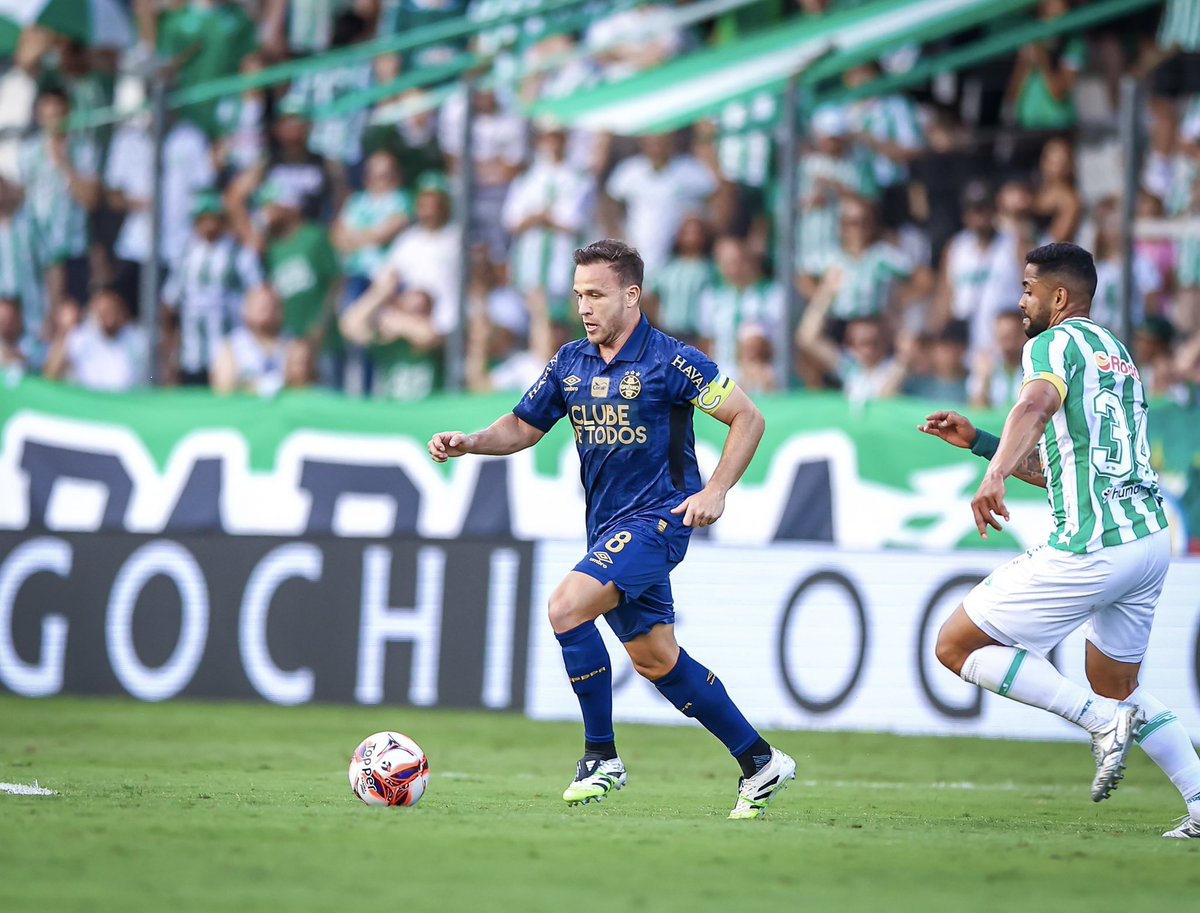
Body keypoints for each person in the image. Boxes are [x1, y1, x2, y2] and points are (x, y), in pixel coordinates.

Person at [427, 239, 795, 818]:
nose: (584, 307)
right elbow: (523, 427)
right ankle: (760, 760)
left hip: (659, 521)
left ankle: (601, 756)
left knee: (566, 607)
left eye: (596, 295)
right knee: (656, 660)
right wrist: (471, 442)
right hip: (607, 530)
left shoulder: (673, 361)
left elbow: (748, 416)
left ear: (631, 295)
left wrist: (716, 490)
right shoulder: (569, 362)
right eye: (578, 295)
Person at [919, 242, 1200, 840]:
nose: (1021, 301)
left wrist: (994, 474)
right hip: (1148, 541)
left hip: (1092, 544)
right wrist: (982, 444)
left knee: (955, 646)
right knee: (1117, 683)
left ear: (1060, 296)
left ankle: (1101, 723)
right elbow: (1060, 470)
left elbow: (1037, 404)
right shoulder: (1117, 354)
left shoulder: (1049, 345)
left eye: (1028, 289)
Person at [43, 288, 148, 392]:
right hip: (86, 399)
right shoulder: (81, 337)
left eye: (112, 311)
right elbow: (50, 375)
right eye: (104, 311)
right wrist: (64, 332)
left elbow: (147, 379)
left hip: (125, 399)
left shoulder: (136, 338)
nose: (109, 317)